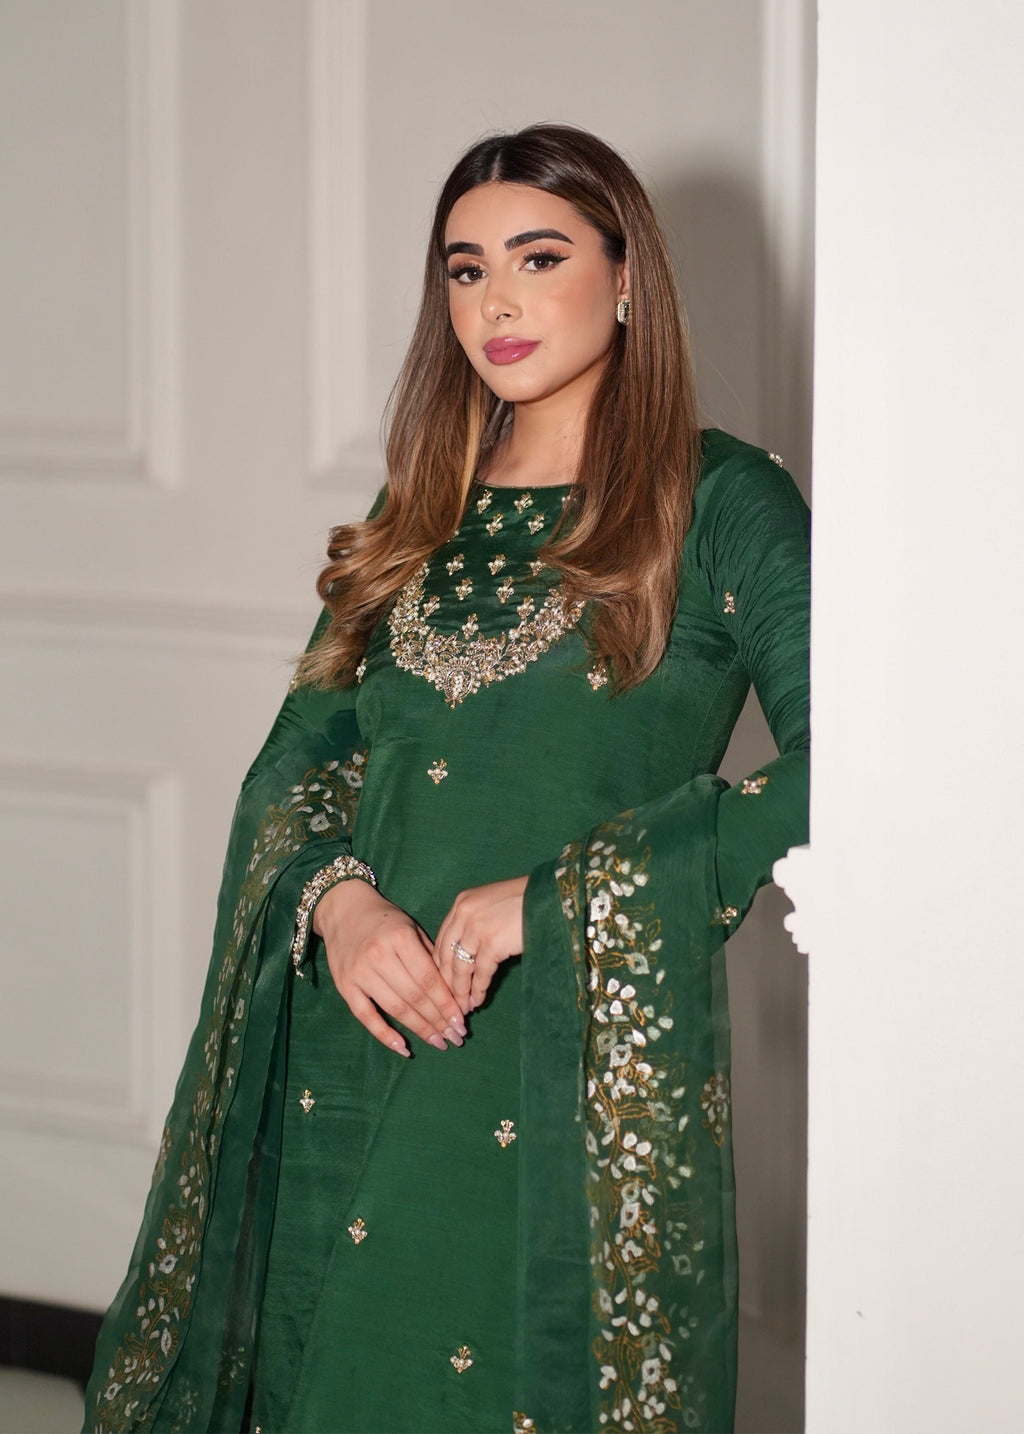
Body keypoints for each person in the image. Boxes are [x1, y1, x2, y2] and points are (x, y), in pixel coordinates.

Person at [84, 123, 810, 1434]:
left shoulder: (722, 502)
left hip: (561, 1070)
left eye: (539, 258)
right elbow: (298, 763)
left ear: (628, 275)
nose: (497, 303)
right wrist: (339, 905)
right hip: (356, 1042)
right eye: (466, 270)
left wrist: (561, 898)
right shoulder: (423, 506)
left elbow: (855, 768)